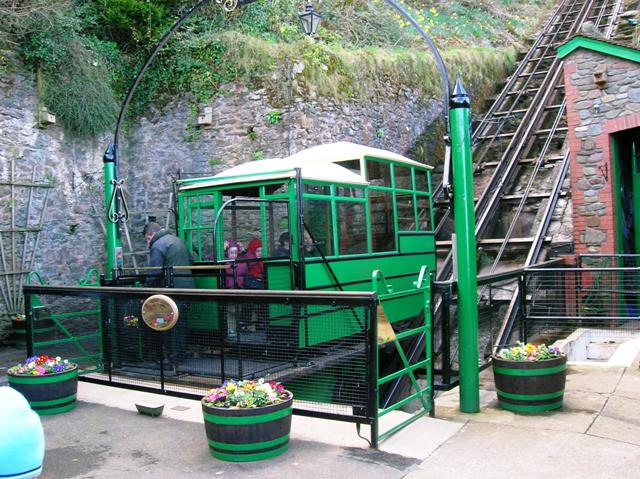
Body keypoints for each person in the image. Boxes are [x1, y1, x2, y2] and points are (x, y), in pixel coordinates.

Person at [142, 222, 194, 367]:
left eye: (147, 239)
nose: (148, 242)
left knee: (167, 325)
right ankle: (180, 355)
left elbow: (155, 272)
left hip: (170, 293)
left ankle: (171, 358)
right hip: (188, 289)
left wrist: (145, 290)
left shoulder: (158, 245)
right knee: (180, 324)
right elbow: (191, 260)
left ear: (150, 235)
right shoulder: (177, 240)